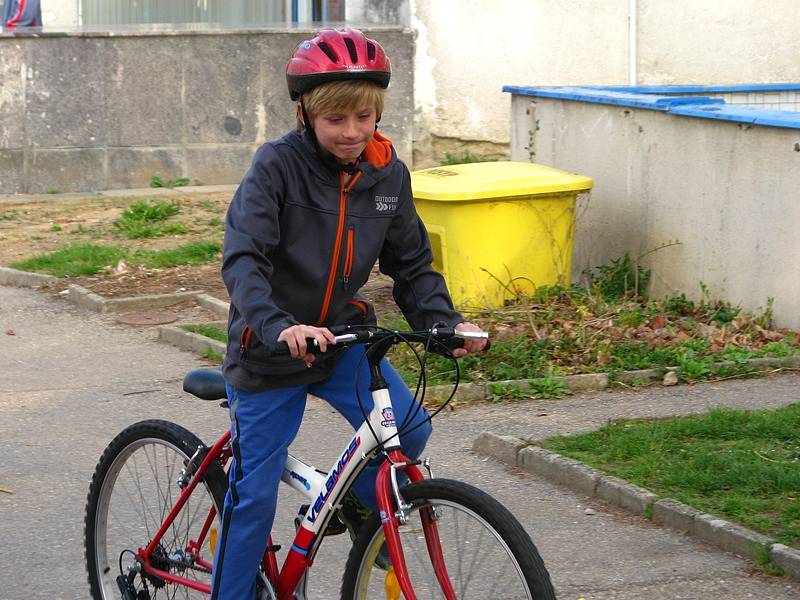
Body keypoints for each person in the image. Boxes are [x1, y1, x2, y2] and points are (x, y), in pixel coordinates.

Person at [211, 27, 486, 599]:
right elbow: (244, 258)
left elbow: (411, 265)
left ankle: (346, 508)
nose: (352, 132)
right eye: (336, 119)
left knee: (410, 429)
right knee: (254, 495)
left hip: (341, 339)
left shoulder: (388, 175)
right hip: (270, 348)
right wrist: (278, 325)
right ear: (306, 113)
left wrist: (445, 322)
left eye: (363, 116)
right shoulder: (276, 168)